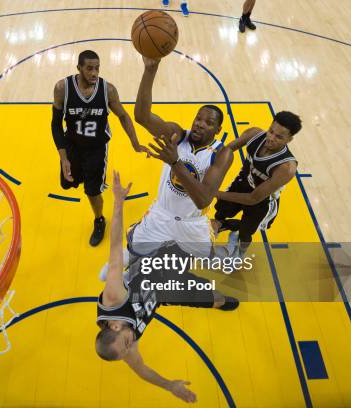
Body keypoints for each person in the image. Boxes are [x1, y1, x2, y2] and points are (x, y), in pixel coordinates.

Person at [95, 172, 238, 403]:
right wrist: (169, 385)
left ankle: (217, 219)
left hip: (156, 263)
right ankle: (217, 301)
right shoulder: (122, 348)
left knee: (195, 237)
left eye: (126, 342)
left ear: (113, 325)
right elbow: (141, 370)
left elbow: (113, 249)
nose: (132, 345)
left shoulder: (113, 300)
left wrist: (119, 203)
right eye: (127, 349)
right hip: (165, 291)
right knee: (214, 298)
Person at [132, 56, 234, 258]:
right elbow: (142, 116)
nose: (200, 124)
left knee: (204, 261)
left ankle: (221, 233)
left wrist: (175, 163)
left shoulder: (222, 154)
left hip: (192, 223)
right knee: (135, 251)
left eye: (208, 122)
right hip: (161, 215)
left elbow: (203, 199)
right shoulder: (177, 135)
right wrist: (150, 69)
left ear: (217, 129)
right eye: (198, 118)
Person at [52, 50, 149, 247]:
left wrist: (135, 142)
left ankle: (99, 220)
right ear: (78, 68)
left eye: (97, 68)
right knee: (67, 183)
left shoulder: (108, 90)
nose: (94, 73)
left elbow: (123, 115)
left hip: (96, 148)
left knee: (92, 191)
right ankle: (79, 173)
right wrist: (64, 158)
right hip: (72, 144)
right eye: (89, 68)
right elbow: (55, 124)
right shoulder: (63, 88)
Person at [212, 111, 301, 257]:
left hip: (262, 199)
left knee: (246, 232)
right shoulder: (254, 134)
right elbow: (227, 150)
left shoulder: (286, 168)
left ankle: (240, 253)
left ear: (289, 139)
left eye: (279, 137)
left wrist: (215, 192)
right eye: (271, 131)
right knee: (221, 211)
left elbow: (253, 198)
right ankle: (219, 225)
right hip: (243, 182)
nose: (271, 138)